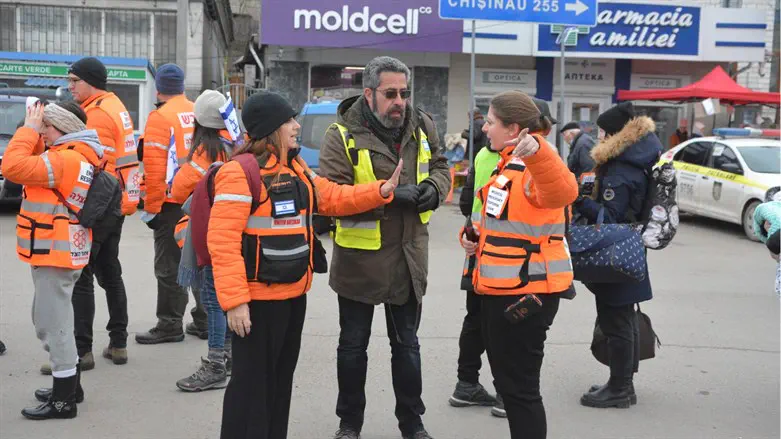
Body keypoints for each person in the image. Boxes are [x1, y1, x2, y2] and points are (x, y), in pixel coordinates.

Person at [212, 91, 401, 439]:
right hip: (256, 302)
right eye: (289, 121)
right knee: (251, 389)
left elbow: (331, 196)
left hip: (293, 295)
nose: (297, 126)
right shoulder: (239, 173)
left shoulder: (295, 167)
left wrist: (380, 190)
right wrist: (235, 301)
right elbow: (222, 243)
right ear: (271, 129)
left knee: (280, 385)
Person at [318, 56, 451, 439]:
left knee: (407, 347)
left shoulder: (422, 125)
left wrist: (434, 189)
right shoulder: (340, 134)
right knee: (352, 348)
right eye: (391, 94)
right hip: (359, 263)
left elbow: (441, 167)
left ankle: (412, 423)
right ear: (369, 94)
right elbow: (331, 197)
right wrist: (388, 197)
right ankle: (350, 424)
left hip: (409, 258)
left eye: (404, 93)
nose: (400, 102)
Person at [461, 90, 577, 439]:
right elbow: (504, 220)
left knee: (520, 391)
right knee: (511, 389)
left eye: (491, 122)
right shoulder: (508, 162)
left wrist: (539, 153)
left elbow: (563, 192)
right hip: (505, 289)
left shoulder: (535, 162)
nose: (484, 128)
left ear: (514, 127)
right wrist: (471, 237)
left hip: (527, 291)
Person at [3, 101, 105, 420]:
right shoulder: (72, 154)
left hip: (55, 251)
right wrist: (34, 133)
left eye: (46, 127)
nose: (42, 132)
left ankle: (63, 401)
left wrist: (27, 130)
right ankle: (70, 386)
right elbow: (29, 164)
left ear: (61, 126)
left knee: (54, 324)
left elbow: (13, 167)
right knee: (48, 318)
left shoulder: (65, 158)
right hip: (57, 248)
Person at [37, 57, 136, 375]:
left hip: (96, 205)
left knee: (82, 277)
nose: (69, 86)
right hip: (116, 204)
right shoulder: (114, 105)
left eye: (73, 80)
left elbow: (92, 164)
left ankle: (82, 352)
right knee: (111, 273)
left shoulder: (96, 113)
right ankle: (118, 342)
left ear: (90, 81)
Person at [573, 102, 662, 409]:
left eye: (602, 131)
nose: (598, 137)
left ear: (615, 134)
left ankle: (620, 388)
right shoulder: (633, 160)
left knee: (616, 321)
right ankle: (622, 383)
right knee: (622, 318)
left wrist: (580, 202)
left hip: (617, 253)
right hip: (629, 250)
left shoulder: (621, 170)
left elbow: (610, 219)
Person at [136, 64, 207, 344]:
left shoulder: (159, 117)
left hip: (171, 201)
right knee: (200, 260)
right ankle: (204, 320)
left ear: (158, 88)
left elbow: (154, 170)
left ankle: (169, 324)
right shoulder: (197, 111)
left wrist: (151, 208)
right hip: (200, 197)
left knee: (170, 265)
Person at [173, 90, 236, 392]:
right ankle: (228, 356)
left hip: (209, 235)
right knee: (227, 300)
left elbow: (176, 190)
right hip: (235, 232)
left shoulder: (203, 154)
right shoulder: (239, 144)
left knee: (212, 301)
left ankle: (215, 365)